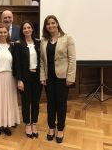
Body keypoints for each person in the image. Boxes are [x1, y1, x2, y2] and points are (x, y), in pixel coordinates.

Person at [40, 15, 76, 144]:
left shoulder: (67, 38)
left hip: (62, 78)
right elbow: (42, 61)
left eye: (53, 23)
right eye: (48, 24)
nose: (51, 26)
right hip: (49, 78)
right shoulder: (43, 41)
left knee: (61, 104)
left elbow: (72, 59)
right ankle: (51, 127)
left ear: (57, 24)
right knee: (50, 104)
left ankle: (60, 129)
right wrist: (42, 76)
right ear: (46, 27)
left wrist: (70, 77)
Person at [14, 21, 42, 139]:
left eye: (29, 27)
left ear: (32, 29)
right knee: (26, 102)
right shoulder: (18, 44)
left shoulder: (39, 43)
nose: (27, 30)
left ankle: (34, 123)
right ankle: (27, 124)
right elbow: (17, 64)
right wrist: (19, 80)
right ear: (22, 31)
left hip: (37, 77)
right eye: (24, 28)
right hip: (25, 77)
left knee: (35, 102)